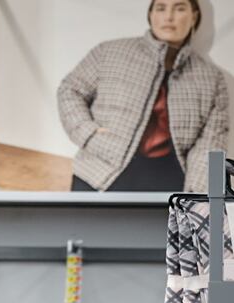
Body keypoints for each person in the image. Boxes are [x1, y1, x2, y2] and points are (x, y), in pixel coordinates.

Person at [58, 0, 228, 192]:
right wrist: (89, 133)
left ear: (194, 16)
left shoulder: (212, 79)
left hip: (169, 183)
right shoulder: (110, 52)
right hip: (98, 174)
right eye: (160, 8)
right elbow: (70, 90)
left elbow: (212, 147)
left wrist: (196, 197)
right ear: (150, 15)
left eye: (179, 8)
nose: (169, 16)